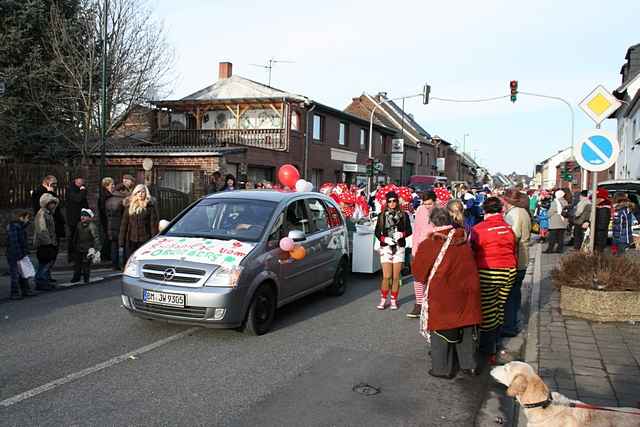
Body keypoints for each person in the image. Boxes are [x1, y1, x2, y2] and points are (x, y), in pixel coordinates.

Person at [412, 208, 482, 379]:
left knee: (441, 330)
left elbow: (419, 274)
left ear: (433, 222)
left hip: (443, 293)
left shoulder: (430, 244)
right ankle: (469, 365)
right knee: (466, 327)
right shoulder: (463, 239)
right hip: (468, 290)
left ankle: (442, 368)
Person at [470, 197, 517, 364]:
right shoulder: (508, 228)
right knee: (500, 306)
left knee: (488, 310)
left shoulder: (478, 229)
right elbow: (513, 247)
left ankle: (488, 349)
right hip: (509, 270)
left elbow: (473, 252)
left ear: (484, 211)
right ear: (501, 210)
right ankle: (497, 341)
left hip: (488, 271)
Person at [374, 191, 412, 310]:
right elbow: (377, 232)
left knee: (396, 277)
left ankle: (394, 300)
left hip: (399, 247)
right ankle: (383, 299)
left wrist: (402, 234)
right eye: (389, 201)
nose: (392, 203)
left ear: (397, 201)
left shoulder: (404, 215)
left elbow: (409, 230)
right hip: (386, 246)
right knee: (387, 276)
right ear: (386, 202)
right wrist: (384, 238)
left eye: (394, 201)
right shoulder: (381, 216)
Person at [501, 189, 531, 338]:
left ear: (507, 201)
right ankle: (514, 320)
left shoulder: (514, 214)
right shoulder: (522, 211)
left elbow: (513, 236)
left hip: (516, 258)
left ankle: (510, 326)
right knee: (515, 293)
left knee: (510, 295)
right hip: (522, 258)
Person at [407, 191, 436, 318]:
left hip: (435, 247)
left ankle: (432, 304)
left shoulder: (441, 210)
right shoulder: (420, 209)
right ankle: (419, 304)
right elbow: (417, 230)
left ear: (435, 201)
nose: (427, 206)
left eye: (429, 204)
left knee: (433, 278)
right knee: (418, 276)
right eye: (425, 203)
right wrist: (414, 251)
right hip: (420, 247)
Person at [31, 175, 66, 282]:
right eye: (53, 184)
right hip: (49, 230)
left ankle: (46, 276)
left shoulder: (49, 194)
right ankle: (42, 278)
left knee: (51, 256)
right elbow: (41, 209)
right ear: (47, 183)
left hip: (53, 228)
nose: (55, 186)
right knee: (47, 256)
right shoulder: (40, 194)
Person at [119, 184, 159, 263]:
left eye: (142, 192)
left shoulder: (150, 207)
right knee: (132, 262)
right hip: (131, 240)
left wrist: (154, 241)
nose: (140, 194)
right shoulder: (129, 207)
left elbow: (153, 226)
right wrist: (121, 241)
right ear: (135, 194)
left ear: (146, 193)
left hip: (145, 240)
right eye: (138, 192)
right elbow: (124, 225)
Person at [6, 210, 37, 299]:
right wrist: (19, 254)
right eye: (27, 218)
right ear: (21, 217)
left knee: (23, 272)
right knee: (15, 274)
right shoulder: (14, 227)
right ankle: (15, 293)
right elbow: (14, 242)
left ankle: (25, 290)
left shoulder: (20, 226)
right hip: (14, 254)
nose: (28, 220)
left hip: (19, 253)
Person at [34, 193, 60, 291]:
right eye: (51, 203)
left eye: (54, 203)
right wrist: (48, 242)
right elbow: (42, 229)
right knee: (44, 263)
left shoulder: (48, 213)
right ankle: (40, 281)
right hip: (44, 243)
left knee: (47, 263)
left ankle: (45, 281)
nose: (53, 205)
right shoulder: (42, 214)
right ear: (46, 203)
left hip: (49, 242)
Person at [71, 209, 102, 284]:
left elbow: (96, 237)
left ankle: (86, 278)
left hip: (88, 249)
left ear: (89, 217)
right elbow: (75, 236)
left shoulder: (92, 226)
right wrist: (73, 245)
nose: (82, 217)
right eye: (82, 215)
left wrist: (97, 249)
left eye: (85, 216)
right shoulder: (78, 225)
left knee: (86, 264)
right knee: (77, 264)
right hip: (79, 247)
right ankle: (76, 277)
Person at [105, 184, 128, 270]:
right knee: (124, 245)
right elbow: (124, 215)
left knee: (114, 246)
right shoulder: (123, 201)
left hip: (110, 225)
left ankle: (115, 265)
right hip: (120, 225)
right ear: (122, 191)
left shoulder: (108, 200)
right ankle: (124, 265)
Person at [66, 176, 89, 261]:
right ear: (76, 180)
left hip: (80, 217)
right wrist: (83, 190)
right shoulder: (71, 189)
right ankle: (72, 256)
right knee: (73, 237)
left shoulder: (80, 189)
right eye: (80, 181)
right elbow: (78, 199)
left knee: (80, 238)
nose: (82, 184)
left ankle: (78, 255)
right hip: (73, 218)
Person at [98, 177, 114, 263]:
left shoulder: (105, 194)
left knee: (107, 236)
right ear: (107, 185)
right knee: (107, 236)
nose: (113, 186)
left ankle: (105, 254)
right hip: (106, 218)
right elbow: (103, 208)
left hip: (105, 218)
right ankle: (104, 255)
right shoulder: (106, 195)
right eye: (112, 184)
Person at [592, 188, 612, 253]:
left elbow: (602, 225)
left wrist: (592, 226)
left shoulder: (604, 209)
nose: (594, 200)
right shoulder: (599, 208)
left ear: (601, 199)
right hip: (598, 235)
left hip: (599, 237)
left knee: (598, 253)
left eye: (596, 198)